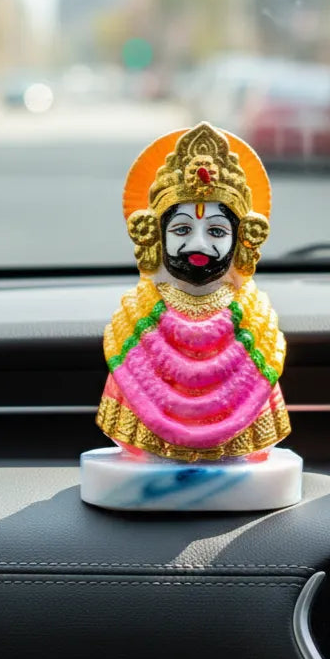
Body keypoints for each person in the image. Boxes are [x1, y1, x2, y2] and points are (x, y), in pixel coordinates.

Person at [96, 121, 290, 463]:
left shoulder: (252, 320)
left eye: (216, 231)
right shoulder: (139, 317)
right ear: (155, 235)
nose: (198, 243)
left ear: (242, 238)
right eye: (182, 229)